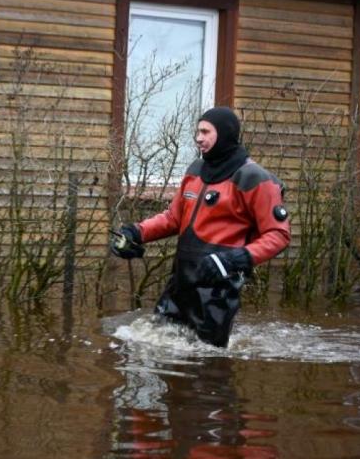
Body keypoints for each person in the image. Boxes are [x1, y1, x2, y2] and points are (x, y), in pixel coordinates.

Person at [111, 106, 290, 347]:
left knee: (208, 367)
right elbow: (173, 218)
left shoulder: (254, 177)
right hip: (180, 283)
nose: (198, 138)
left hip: (217, 292)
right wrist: (136, 232)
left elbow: (278, 235)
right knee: (153, 348)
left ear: (225, 134)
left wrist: (231, 260)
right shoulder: (195, 171)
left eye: (205, 132)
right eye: (197, 131)